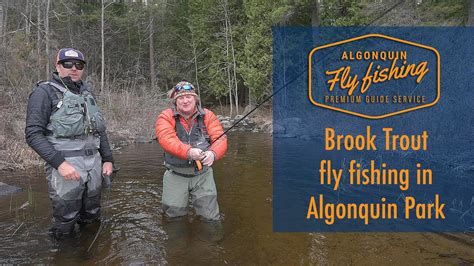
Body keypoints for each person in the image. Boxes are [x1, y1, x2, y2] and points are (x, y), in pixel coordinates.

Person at [25, 48, 114, 238]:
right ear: (58, 66)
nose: (74, 68)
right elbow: (33, 134)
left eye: (79, 65)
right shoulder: (44, 92)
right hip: (65, 166)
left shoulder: (87, 93)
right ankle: (65, 255)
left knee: (92, 214)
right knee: (66, 219)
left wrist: (108, 159)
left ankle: (90, 254)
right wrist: (60, 164)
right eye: (68, 64)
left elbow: (99, 130)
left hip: (94, 165)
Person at [155, 81, 227, 221]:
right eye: (181, 98)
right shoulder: (165, 116)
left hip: (203, 175)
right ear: (176, 101)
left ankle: (210, 243)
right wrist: (189, 152)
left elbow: (220, 139)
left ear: (195, 99)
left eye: (189, 97)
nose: (185, 100)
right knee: (173, 218)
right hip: (175, 174)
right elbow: (166, 139)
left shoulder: (208, 115)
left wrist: (213, 153)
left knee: (211, 218)